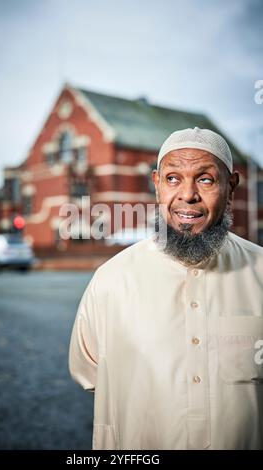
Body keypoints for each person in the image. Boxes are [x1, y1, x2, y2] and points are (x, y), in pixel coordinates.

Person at [68, 127, 263, 450]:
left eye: (205, 179)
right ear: (157, 185)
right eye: (173, 179)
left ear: (231, 188)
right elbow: (88, 372)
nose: (187, 195)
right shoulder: (111, 280)